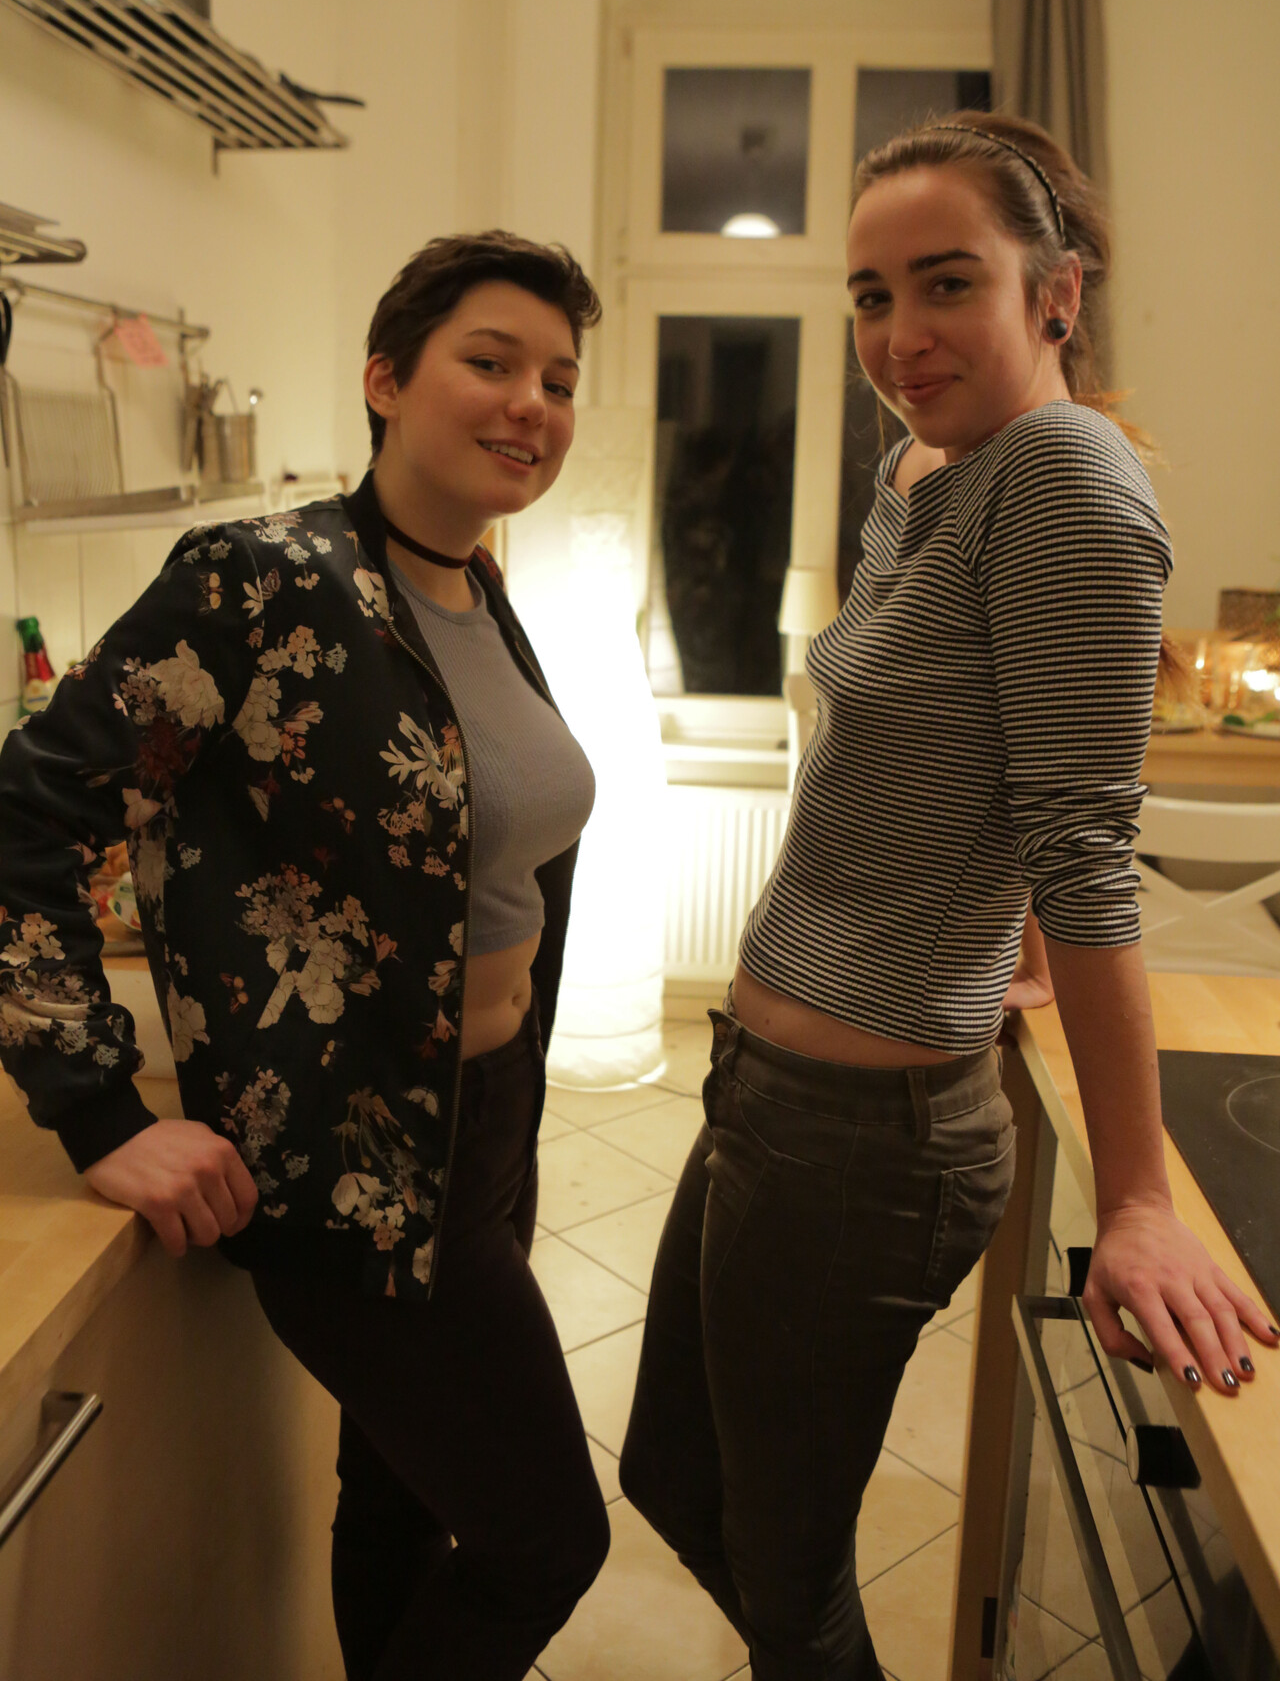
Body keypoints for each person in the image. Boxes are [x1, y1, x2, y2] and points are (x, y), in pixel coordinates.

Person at [619, 113, 1278, 1681]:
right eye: (869, 296)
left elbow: (1082, 836)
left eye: (945, 283)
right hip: (770, 1088)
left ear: (1056, 293)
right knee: (670, 1477)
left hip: (865, 1141)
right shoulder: (929, 465)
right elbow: (976, 744)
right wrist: (1007, 926)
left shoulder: (1061, 478)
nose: (898, 335)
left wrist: (1137, 1201)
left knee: (786, 1587)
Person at [0, 231, 611, 1681]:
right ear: (386, 379)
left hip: (485, 1123)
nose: (532, 404)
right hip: (353, 1164)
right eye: (492, 361)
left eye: (560, 379)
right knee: (544, 1542)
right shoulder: (262, 581)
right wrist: (99, 1113)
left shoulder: (472, 591)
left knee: (402, 1500)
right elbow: (27, 813)